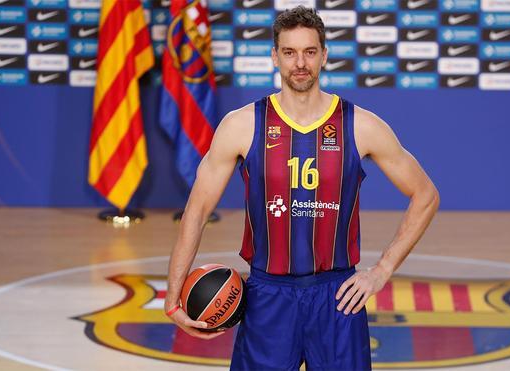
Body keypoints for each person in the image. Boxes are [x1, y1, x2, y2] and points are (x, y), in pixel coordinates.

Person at [165, 6, 439, 370]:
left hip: (338, 297)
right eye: (290, 52)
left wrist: (381, 271)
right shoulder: (242, 126)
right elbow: (196, 212)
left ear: (324, 55)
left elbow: (426, 195)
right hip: (267, 297)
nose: (300, 63)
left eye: (310, 52)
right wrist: (172, 297)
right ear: (274, 55)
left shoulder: (361, 126)